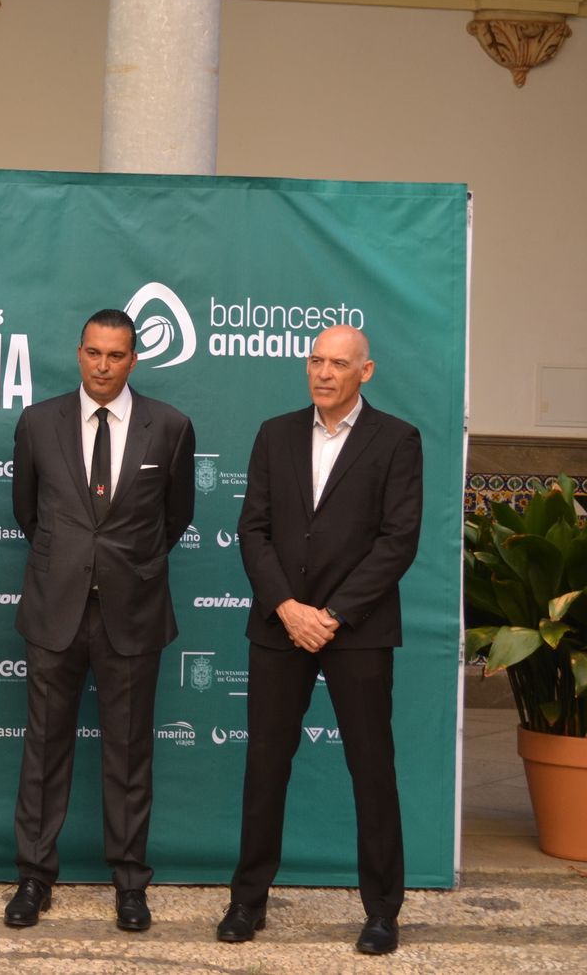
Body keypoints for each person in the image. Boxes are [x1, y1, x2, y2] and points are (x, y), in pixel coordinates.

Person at [216, 324, 422, 956]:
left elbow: (398, 540)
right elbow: (253, 530)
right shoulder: (275, 433)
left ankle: (383, 910)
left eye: (338, 363)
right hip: (281, 626)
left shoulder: (397, 440)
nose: (323, 372)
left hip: (356, 630)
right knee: (265, 767)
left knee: (372, 769)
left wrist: (331, 614)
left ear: (367, 371)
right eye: (315, 361)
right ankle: (248, 901)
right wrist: (287, 607)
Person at [5, 308, 195, 932]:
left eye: (116, 355)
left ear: (134, 359)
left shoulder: (168, 426)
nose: (104, 366)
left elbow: (176, 519)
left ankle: (130, 883)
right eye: (94, 353)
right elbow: (28, 514)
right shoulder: (38, 423)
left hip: (133, 614)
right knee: (43, 749)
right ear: (78, 353)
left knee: (130, 752)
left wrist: (121, 567)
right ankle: (34, 878)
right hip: (55, 609)